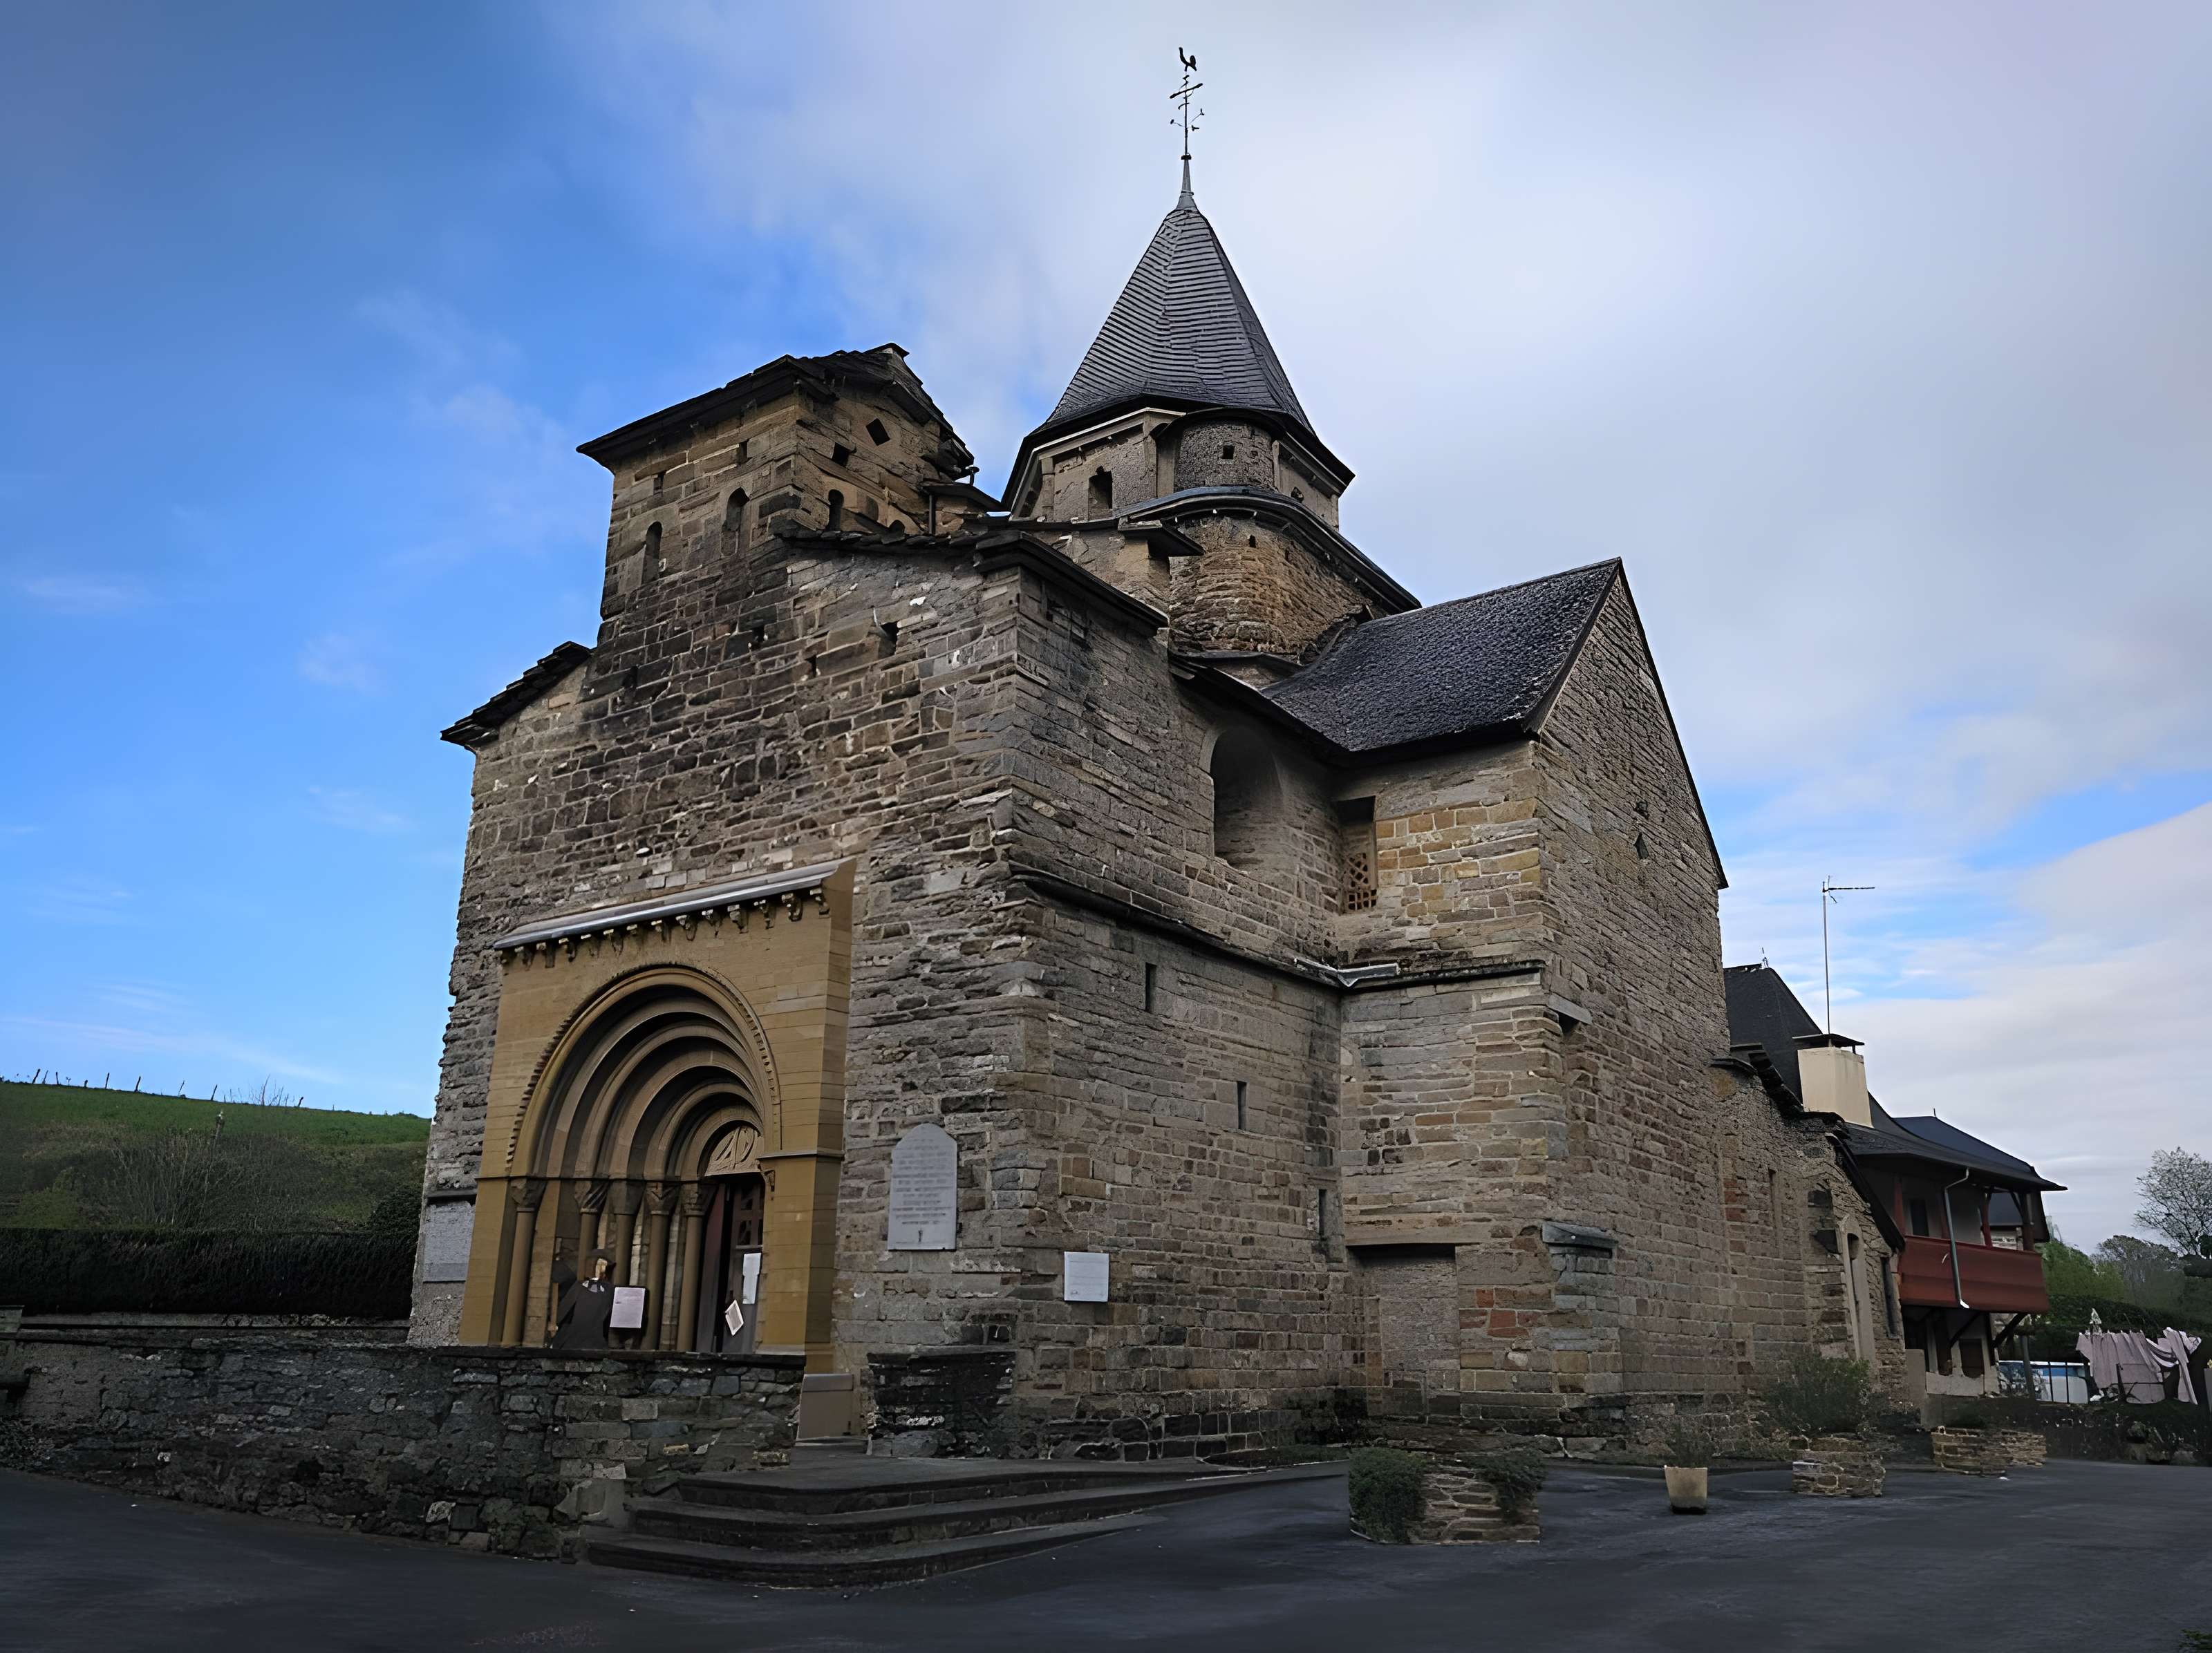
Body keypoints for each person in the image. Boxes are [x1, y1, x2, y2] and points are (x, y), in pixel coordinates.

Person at [554, 1251, 615, 1350]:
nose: (600, 1269)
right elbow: (564, 1312)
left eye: (603, 1266)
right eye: (598, 1265)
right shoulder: (580, 1287)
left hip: (596, 1338)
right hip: (577, 1337)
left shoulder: (610, 1290)